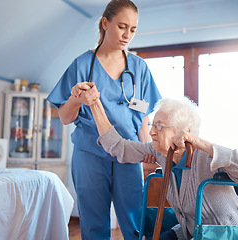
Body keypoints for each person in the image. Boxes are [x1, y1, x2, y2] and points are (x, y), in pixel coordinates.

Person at [47, 0, 161, 239]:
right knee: (94, 224)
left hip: (128, 154)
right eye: (122, 26)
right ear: (105, 23)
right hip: (90, 153)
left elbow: (143, 117)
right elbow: (65, 117)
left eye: (133, 29)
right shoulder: (81, 65)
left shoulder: (139, 67)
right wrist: (77, 99)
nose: (127, 34)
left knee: (134, 223)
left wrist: (147, 150)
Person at [88, 93, 238, 240]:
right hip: (192, 233)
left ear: (183, 131)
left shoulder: (207, 156)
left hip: (231, 234)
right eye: (152, 125)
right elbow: (120, 148)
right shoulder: (160, 153)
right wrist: (95, 105)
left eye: (159, 126)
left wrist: (202, 143)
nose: (151, 132)